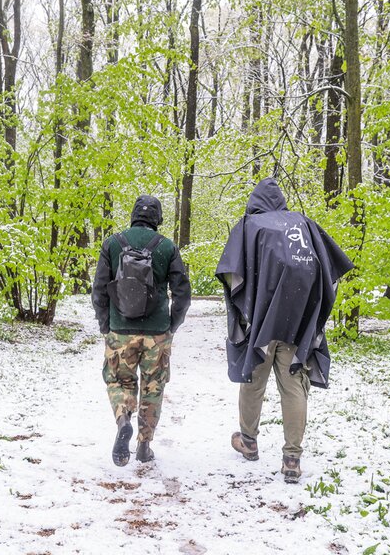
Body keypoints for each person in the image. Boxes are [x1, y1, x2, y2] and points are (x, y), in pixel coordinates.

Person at [215, 176, 353, 483]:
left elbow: (231, 274)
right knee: (293, 383)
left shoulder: (250, 226)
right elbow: (328, 270)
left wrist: (249, 308)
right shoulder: (303, 224)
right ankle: (292, 459)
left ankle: (248, 441)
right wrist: (308, 310)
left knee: (253, 376)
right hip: (297, 318)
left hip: (262, 319)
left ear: (255, 202)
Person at [92, 195, 191, 466]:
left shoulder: (113, 243)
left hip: (120, 330)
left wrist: (105, 324)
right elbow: (182, 292)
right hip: (157, 332)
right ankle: (144, 445)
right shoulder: (167, 247)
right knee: (153, 386)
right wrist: (172, 324)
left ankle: (123, 419)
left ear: (133, 215)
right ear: (158, 218)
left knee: (118, 380)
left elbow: (99, 289)